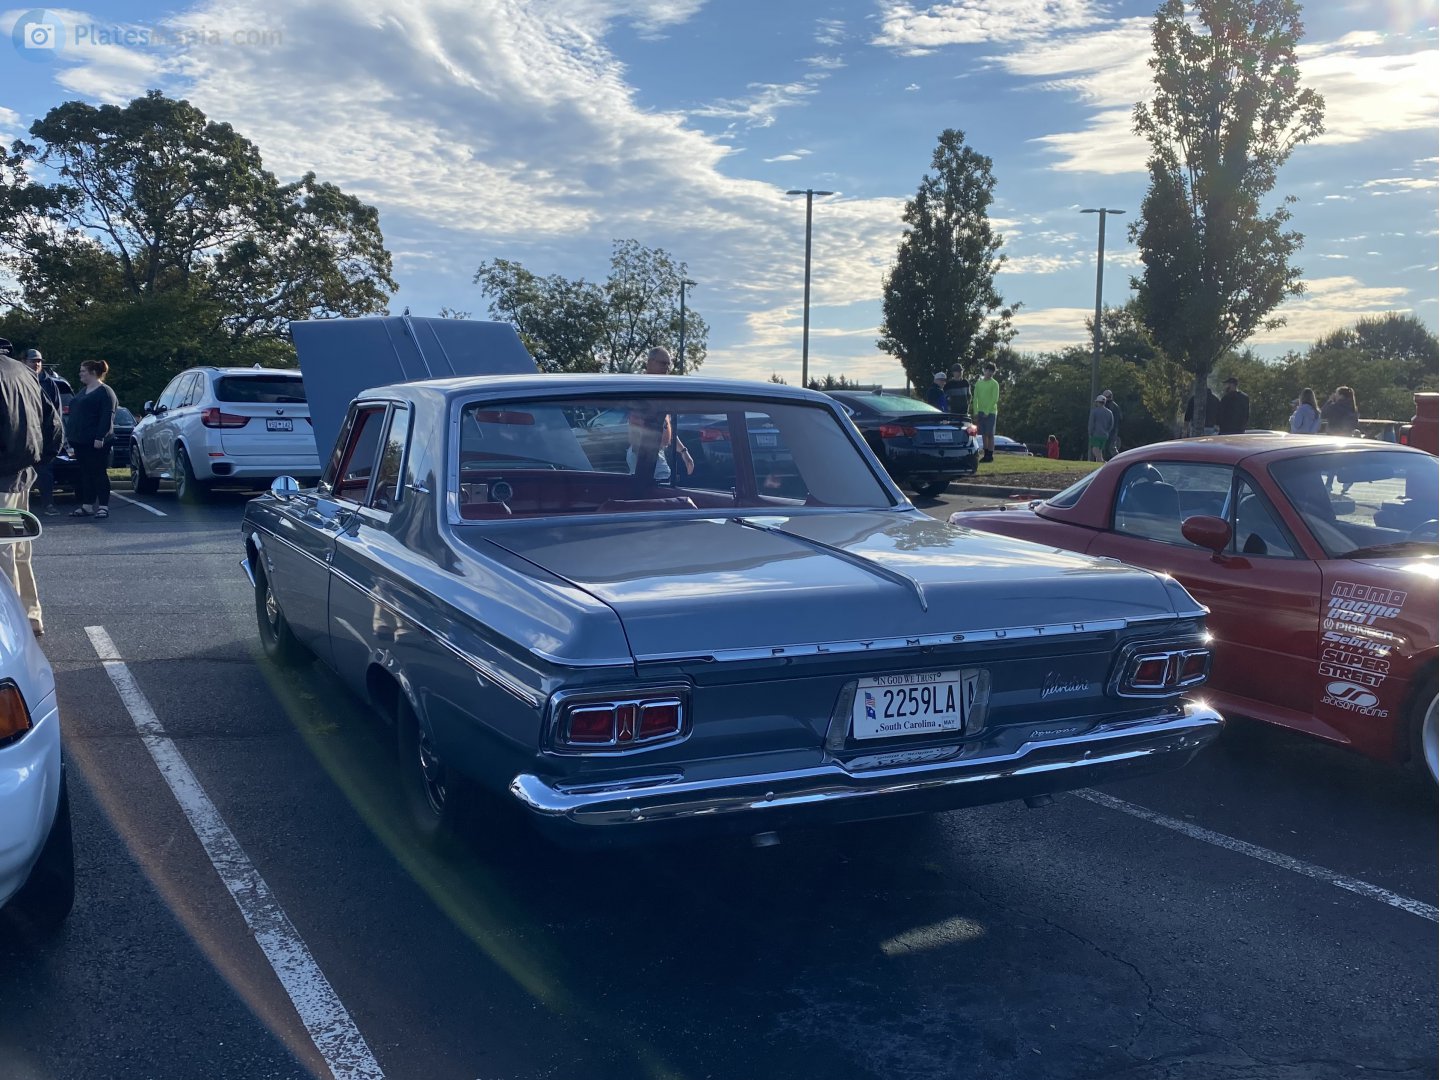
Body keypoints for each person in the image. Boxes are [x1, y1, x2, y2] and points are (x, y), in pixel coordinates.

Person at [0, 347, 64, 636]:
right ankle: (30, 615)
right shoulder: (25, 373)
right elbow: (54, 426)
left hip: (4, 479)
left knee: (4, 554)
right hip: (22, 476)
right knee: (19, 548)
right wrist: (38, 463)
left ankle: (10, 626)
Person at [628, 347, 694, 481]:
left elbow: (662, 427)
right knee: (661, 486)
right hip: (644, 454)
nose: (667, 368)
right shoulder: (641, 390)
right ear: (650, 363)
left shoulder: (659, 390)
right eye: (663, 363)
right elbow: (638, 428)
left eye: (669, 364)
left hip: (654, 453)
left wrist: (683, 452)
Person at [65, 359, 118, 519]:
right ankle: (87, 506)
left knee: (98, 473)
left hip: (97, 442)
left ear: (93, 373)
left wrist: (100, 436)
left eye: (83, 371)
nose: (80, 374)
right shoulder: (84, 391)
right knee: (86, 473)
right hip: (81, 441)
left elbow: (107, 415)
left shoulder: (105, 392)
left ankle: (103, 506)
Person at [24, 350, 62, 514]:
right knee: (20, 472)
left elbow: (57, 412)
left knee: (45, 471)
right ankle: (23, 506)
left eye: (39, 361)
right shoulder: (19, 380)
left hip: (43, 435)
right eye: (33, 361)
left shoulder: (49, 383)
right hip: (23, 435)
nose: (36, 364)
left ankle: (48, 504)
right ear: (24, 361)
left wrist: (55, 436)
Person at [972, 362, 1000, 462]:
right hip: (980, 411)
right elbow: (975, 398)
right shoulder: (979, 383)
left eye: (991, 371)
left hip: (991, 412)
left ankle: (990, 455)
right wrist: (976, 411)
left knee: (990, 434)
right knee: (984, 434)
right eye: (987, 370)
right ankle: (985, 454)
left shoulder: (995, 384)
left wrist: (987, 411)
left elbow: (994, 399)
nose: (989, 373)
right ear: (984, 370)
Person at [1088, 395, 1114, 461]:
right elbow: (1111, 424)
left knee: (1094, 450)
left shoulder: (1094, 411)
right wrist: (1107, 431)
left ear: (1098, 402)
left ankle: (1101, 461)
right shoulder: (1109, 412)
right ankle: (1098, 464)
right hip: (1105, 435)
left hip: (1096, 434)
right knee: (1100, 450)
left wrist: (1090, 432)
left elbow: (1091, 423)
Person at [1102, 389, 1123, 457]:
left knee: (1111, 447)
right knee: (1107, 447)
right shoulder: (1112, 406)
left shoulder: (1112, 406)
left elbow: (1118, 419)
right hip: (1110, 429)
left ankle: (1118, 460)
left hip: (1112, 430)